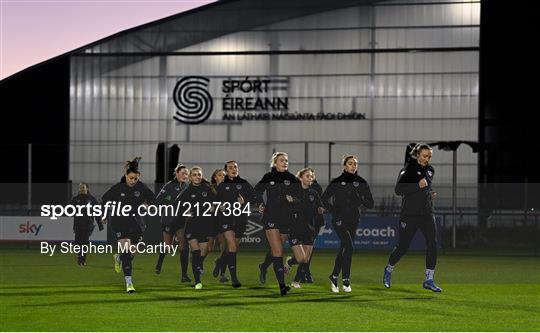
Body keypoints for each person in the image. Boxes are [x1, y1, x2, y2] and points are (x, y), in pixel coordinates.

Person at [383, 143, 442, 292]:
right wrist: (418, 186)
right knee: (403, 247)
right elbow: (399, 190)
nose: (426, 159)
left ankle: (429, 279)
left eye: (429, 156)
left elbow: (425, 187)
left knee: (432, 244)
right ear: (417, 155)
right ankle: (388, 270)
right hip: (409, 215)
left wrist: (430, 193)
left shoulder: (430, 170)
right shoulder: (408, 169)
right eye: (424, 156)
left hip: (427, 214)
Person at [101, 157, 155, 293]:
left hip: (136, 223)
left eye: (135, 179)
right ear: (126, 176)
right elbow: (105, 200)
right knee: (126, 251)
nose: (133, 181)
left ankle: (118, 257)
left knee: (131, 253)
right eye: (131, 178)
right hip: (119, 221)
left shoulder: (141, 188)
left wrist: (147, 204)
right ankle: (129, 283)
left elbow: (153, 199)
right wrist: (104, 214)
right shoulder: (118, 188)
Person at [322, 154, 374, 293]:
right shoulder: (337, 181)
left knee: (344, 249)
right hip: (339, 219)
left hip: (353, 219)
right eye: (350, 163)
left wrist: (361, 199)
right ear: (344, 165)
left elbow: (371, 204)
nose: (353, 166)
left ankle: (333, 276)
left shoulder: (361, 182)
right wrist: (334, 211)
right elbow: (323, 199)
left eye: (355, 164)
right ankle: (346, 280)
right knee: (349, 247)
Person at [255, 152, 302, 296]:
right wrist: (260, 204)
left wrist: (293, 200)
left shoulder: (291, 178)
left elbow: (301, 197)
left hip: (286, 219)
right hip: (270, 217)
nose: (285, 162)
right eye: (282, 160)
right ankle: (282, 286)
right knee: (278, 252)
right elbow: (256, 192)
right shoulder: (268, 177)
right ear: (275, 163)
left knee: (277, 249)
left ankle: (263, 266)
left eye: (286, 160)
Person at [215, 160, 255, 288]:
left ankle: (220, 263)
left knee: (231, 249)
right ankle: (234, 278)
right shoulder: (222, 185)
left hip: (240, 220)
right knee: (232, 247)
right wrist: (219, 206)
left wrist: (245, 201)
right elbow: (216, 202)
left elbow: (255, 198)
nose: (234, 169)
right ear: (226, 171)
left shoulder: (244, 183)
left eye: (235, 167)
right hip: (226, 219)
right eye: (231, 168)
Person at [175, 166, 215, 290]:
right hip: (192, 225)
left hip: (205, 224)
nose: (197, 177)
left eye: (199, 175)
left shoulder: (207, 189)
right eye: (195, 175)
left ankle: (196, 267)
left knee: (204, 251)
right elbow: (177, 204)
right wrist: (185, 213)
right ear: (191, 177)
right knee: (196, 252)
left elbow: (216, 202)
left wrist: (214, 206)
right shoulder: (187, 191)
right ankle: (198, 281)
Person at [285, 168, 324, 289]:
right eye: (307, 176)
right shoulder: (293, 190)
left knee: (306, 259)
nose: (310, 178)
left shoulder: (314, 193)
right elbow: (287, 203)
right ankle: (290, 261)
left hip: (309, 228)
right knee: (301, 258)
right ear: (300, 178)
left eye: (311, 176)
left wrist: (321, 209)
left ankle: (296, 281)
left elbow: (320, 207)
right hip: (294, 228)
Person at [154, 164, 191, 282]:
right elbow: (158, 200)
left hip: (181, 220)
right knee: (167, 247)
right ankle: (159, 263)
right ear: (177, 173)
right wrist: (168, 205)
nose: (185, 175)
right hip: (168, 220)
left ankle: (184, 275)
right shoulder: (169, 185)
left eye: (187, 174)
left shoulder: (187, 187)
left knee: (183, 243)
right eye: (183, 173)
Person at [70, 182, 103, 266]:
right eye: (80, 188)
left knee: (84, 242)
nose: (81, 189)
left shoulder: (92, 199)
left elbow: (97, 212)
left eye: (83, 187)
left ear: (87, 188)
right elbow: (70, 210)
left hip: (88, 225)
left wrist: (100, 224)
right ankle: (79, 256)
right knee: (77, 242)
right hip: (77, 225)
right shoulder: (75, 199)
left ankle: (82, 260)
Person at [208, 169, 230, 283]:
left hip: (223, 221)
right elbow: (208, 207)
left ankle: (222, 273)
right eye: (220, 175)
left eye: (224, 175)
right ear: (215, 177)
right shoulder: (210, 189)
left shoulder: (228, 189)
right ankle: (198, 263)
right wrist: (216, 207)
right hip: (211, 221)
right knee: (209, 248)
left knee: (225, 247)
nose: (222, 177)